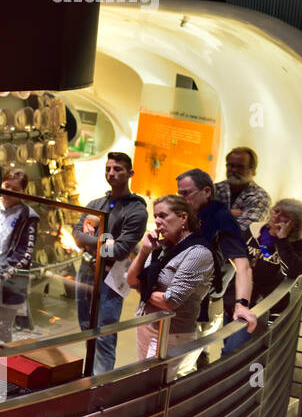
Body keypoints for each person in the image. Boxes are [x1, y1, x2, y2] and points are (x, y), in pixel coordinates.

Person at [71, 152, 149, 374]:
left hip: (111, 278)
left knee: (105, 335)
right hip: (86, 272)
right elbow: (77, 235)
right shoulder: (97, 203)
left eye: (117, 169)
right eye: (108, 169)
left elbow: (121, 250)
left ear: (130, 173)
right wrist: (105, 242)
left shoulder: (136, 210)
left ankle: (100, 387)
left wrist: (91, 241)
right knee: (86, 328)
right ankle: (89, 378)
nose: (111, 173)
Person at [125, 195, 215, 375]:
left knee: (160, 388)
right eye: (155, 216)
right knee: (142, 383)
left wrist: (143, 289)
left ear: (183, 217)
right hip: (147, 325)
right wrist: (144, 251)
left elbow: (169, 300)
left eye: (163, 216)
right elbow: (131, 281)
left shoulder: (198, 253)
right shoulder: (161, 246)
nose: (157, 222)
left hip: (173, 334)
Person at [222, 199, 302, 354]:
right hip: (234, 298)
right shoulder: (253, 230)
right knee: (227, 345)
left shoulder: (299, 246)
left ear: (294, 224)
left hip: (260, 307)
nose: (276, 217)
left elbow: (294, 270)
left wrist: (281, 240)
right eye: (276, 211)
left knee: (233, 351)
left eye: (284, 216)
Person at [175, 169, 257, 330]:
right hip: (180, 298)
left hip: (205, 301)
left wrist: (242, 304)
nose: (182, 199)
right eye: (180, 194)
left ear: (206, 192)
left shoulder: (221, 219)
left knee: (191, 349)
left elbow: (243, 266)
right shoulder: (189, 215)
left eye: (187, 193)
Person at [0, 169, 39, 342]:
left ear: (23, 192)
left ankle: (2, 365)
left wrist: (5, 272)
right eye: (7, 186)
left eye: (15, 190)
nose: (9, 192)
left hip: (11, 278)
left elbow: (25, 253)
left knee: (5, 328)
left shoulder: (29, 216)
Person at [214, 147, 270, 231]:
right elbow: (194, 218)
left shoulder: (260, 197)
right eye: (230, 165)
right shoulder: (214, 189)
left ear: (253, 170)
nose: (234, 170)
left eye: (240, 167)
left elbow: (243, 230)